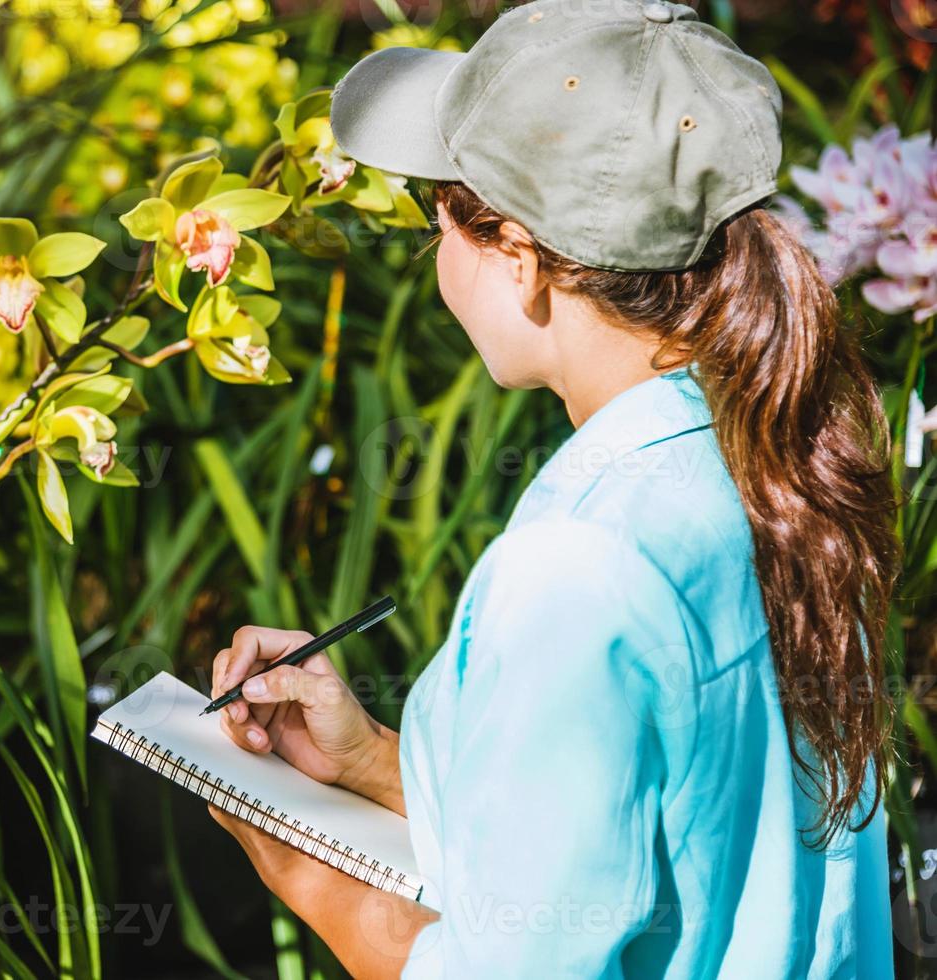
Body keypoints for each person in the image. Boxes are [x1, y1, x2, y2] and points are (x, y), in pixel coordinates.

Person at [208, 1, 901, 976]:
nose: (428, 250)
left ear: (522, 262)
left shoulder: (577, 567)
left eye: (434, 213)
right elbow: (654, 851)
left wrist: (297, 862)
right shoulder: (779, 464)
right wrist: (368, 759)